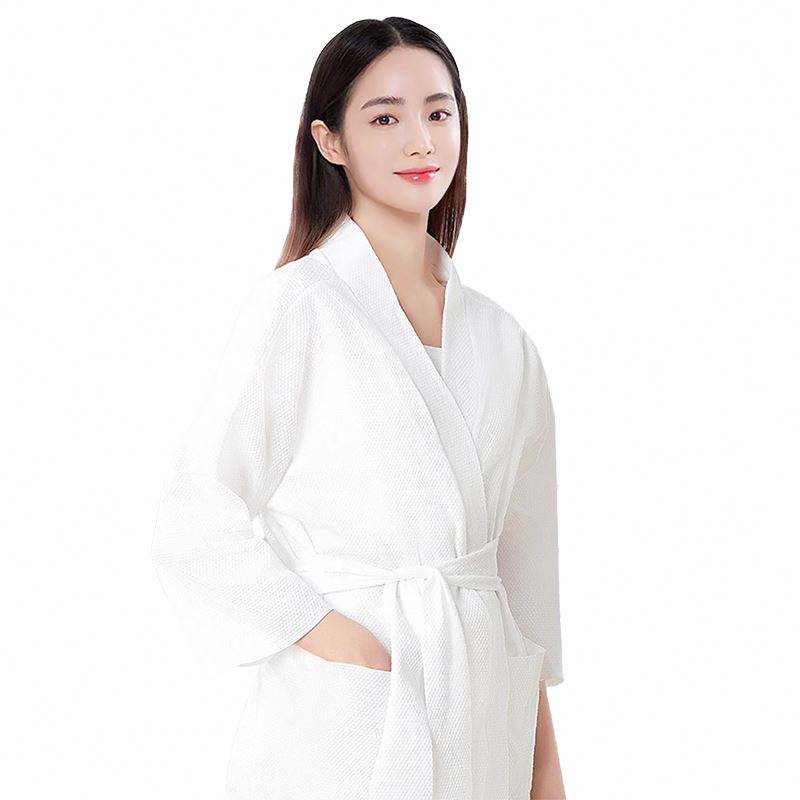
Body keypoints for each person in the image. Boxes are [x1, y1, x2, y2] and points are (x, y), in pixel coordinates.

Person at [151, 16, 566, 800]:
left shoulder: (505, 343)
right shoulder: (298, 308)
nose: (420, 140)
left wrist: (545, 770)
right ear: (330, 141)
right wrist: (329, 634)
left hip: (486, 725)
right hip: (348, 724)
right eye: (385, 118)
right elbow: (193, 515)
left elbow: (521, 580)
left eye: (439, 112)